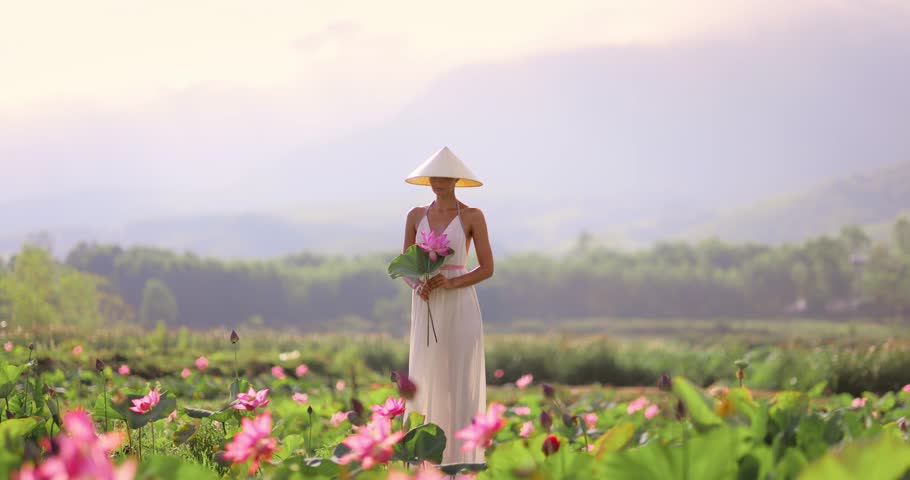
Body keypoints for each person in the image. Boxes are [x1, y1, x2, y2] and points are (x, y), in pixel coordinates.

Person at [400, 146, 494, 465]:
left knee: (458, 375)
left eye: (444, 176)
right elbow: (405, 265)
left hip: (460, 302)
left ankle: (460, 460)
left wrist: (452, 282)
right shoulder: (415, 215)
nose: (438, 182)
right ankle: (427, 461)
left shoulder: (472, 216)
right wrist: (419, 285)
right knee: (427, 375)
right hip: (426, 302)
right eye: (433, 176)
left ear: (456, 179)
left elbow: (486, 267)